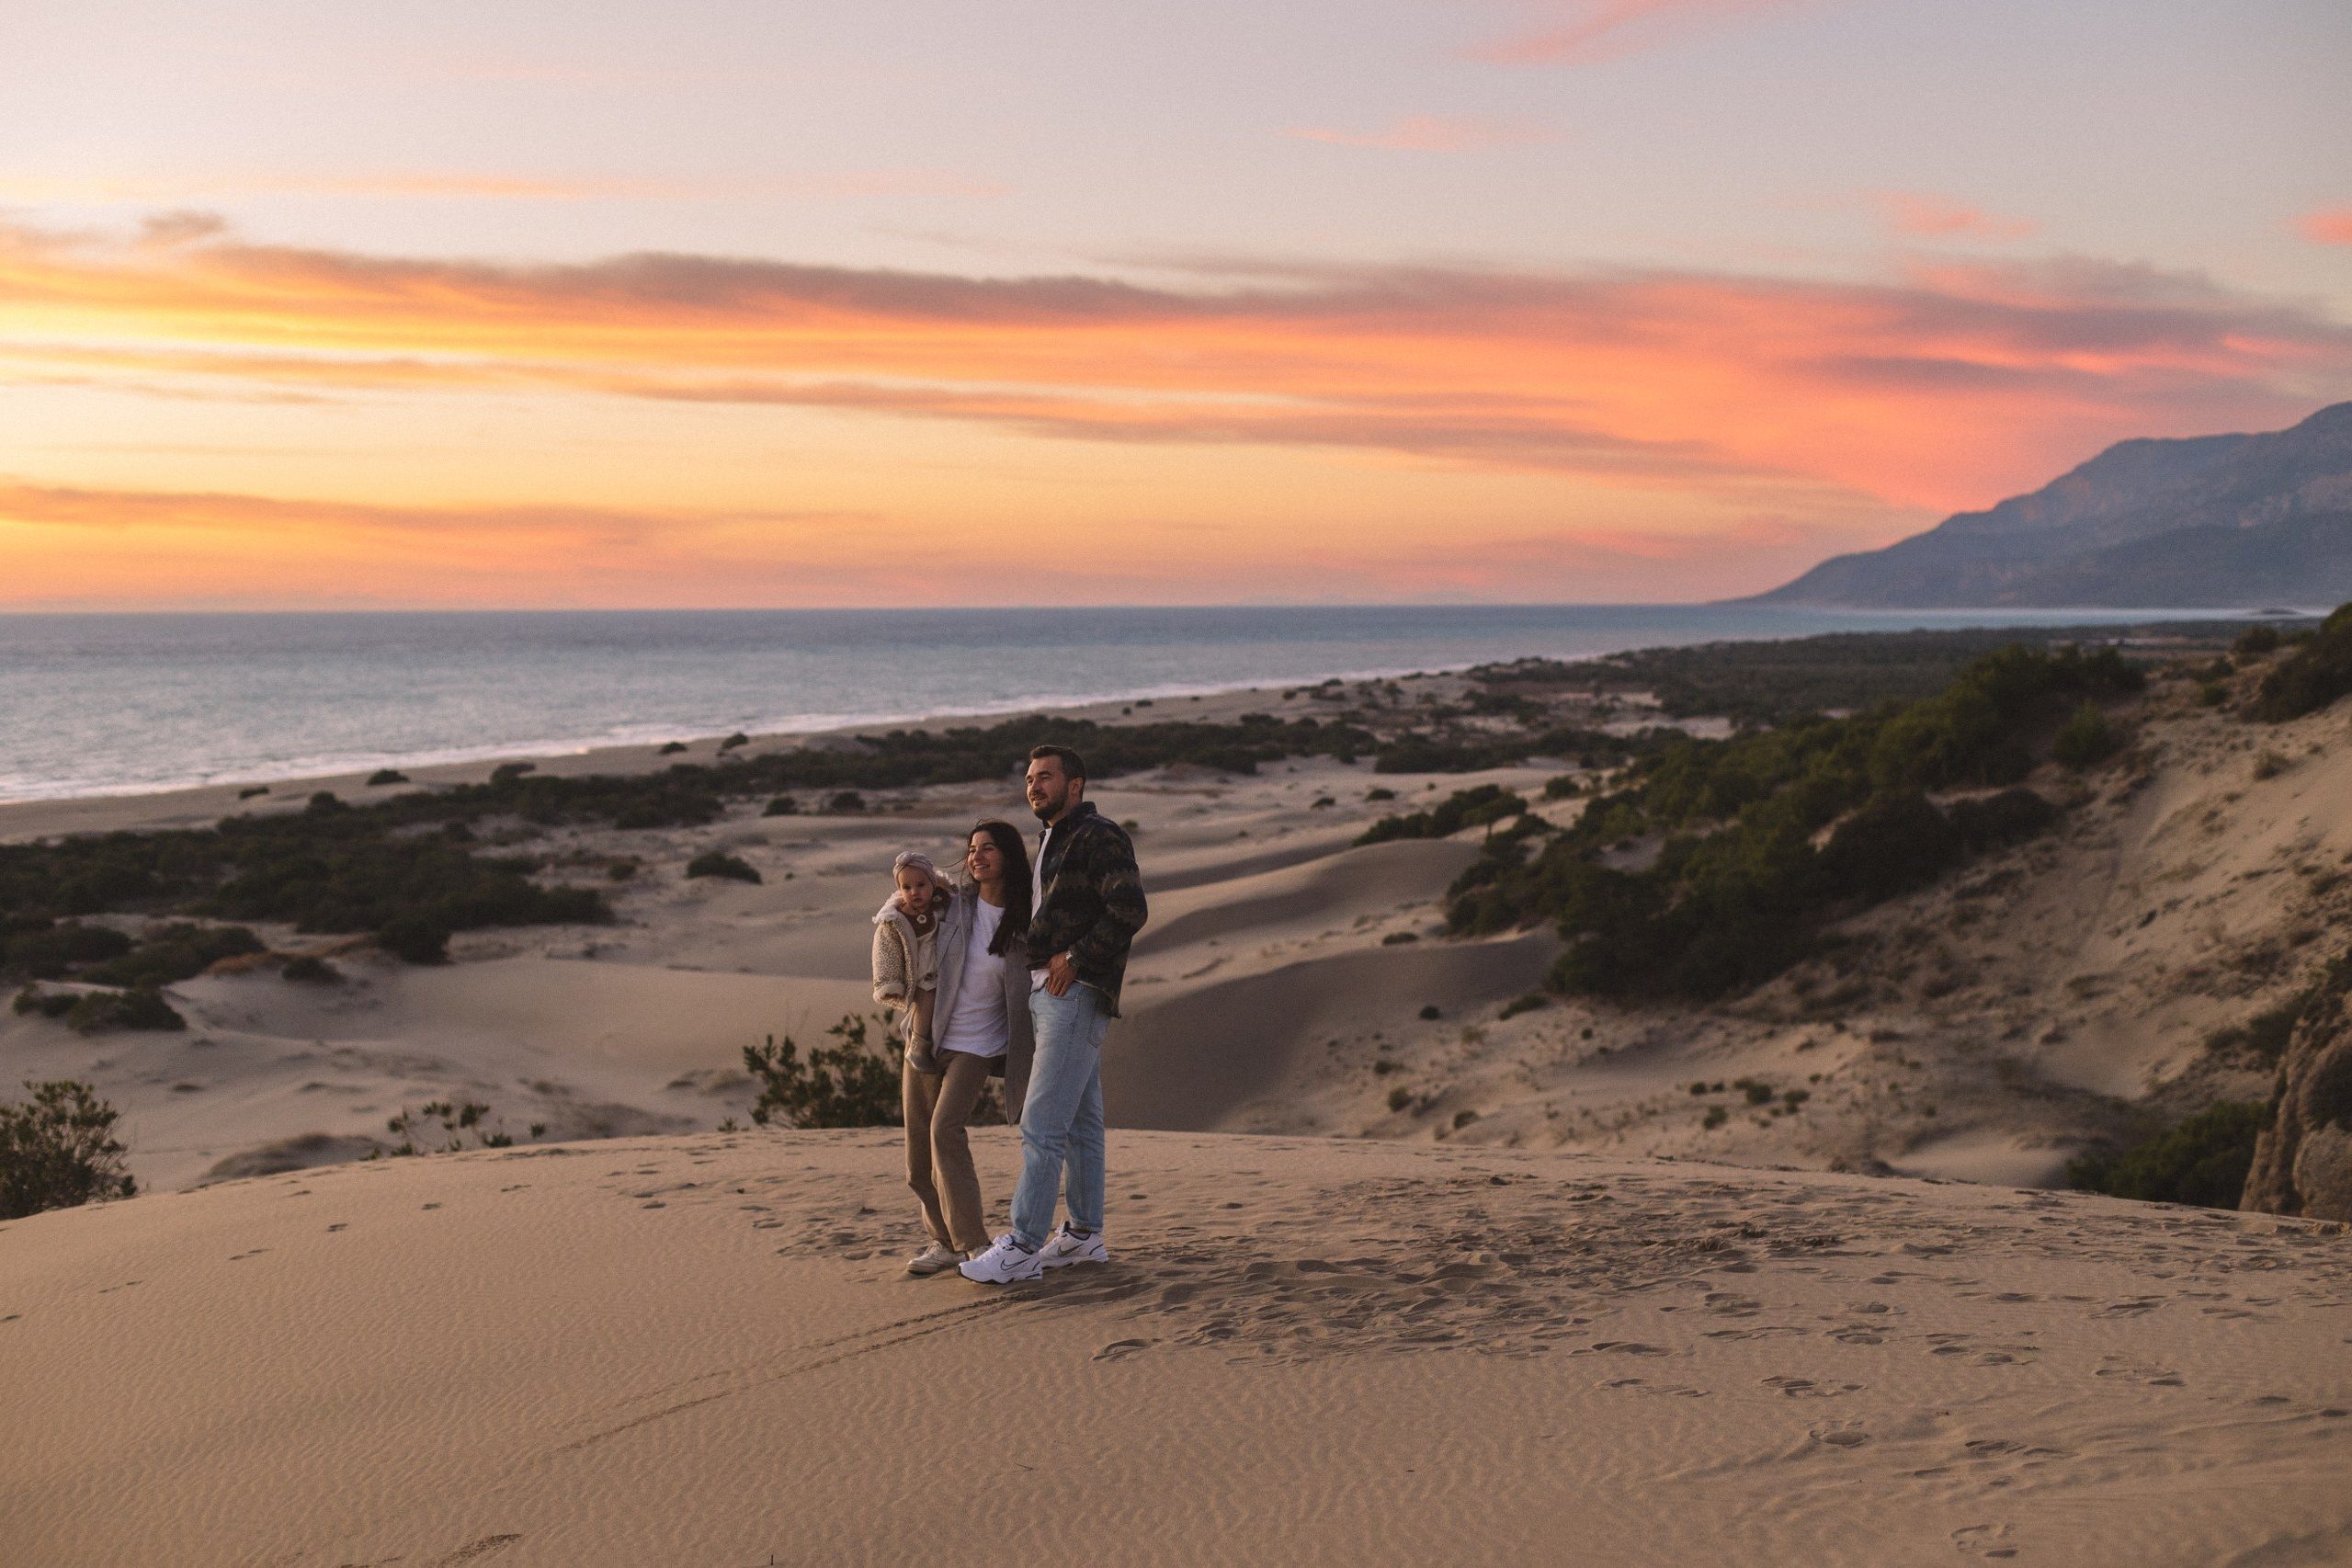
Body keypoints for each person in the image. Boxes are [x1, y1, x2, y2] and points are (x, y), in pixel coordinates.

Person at [961, 745, 1148, 1284]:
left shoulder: (1099, 835)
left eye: (1045, 777)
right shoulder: (1051, 841)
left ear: (1076, 786)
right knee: (1081, 1125)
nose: (1033, 785)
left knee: (1042, 1123)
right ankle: (1084, 1236)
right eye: (1028, 777)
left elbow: (1130, 908)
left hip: (1075, 991)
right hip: (1050, 992)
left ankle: (1021, 1246)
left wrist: (1077, 957)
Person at [901, 822, 1037, 1276]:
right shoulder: (955, 905)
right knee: (918, 1161)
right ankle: (943, 1242)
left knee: (945, 1129)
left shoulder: (1025, 921)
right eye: (972, 849)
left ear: (1009, 857)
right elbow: (902, 905)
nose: (976, 857)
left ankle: (976, 1244)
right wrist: (895, 911)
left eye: (988, 849)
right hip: (928, 1039)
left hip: (978, 1046)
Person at [870, 850, 942, 1071]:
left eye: (921, 885)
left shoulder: (945, 906)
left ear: (933, 884)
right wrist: (890, 983)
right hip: (921, 972)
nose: (914, 892)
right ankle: (918, 1045)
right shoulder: (895, 918)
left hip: (945, 967)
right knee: (926, 1000)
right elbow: (886, 952)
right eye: (907, 888)